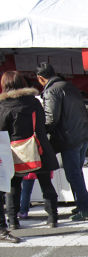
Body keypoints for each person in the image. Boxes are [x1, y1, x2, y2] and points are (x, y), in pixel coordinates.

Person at [0, 71, 60, 238]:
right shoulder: (34, 102)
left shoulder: (3, 106)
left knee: (13, 186)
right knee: (46, 183)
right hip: (38, 147)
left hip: (14, 151)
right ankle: (52, 217)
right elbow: (43, 123)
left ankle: (13, 220)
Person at [35, 62, 88, 221]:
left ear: (41, 78)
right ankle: (82, 204)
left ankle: (85, 208)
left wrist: (41, 131)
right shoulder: (69, 86)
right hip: (82, 134)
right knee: (77, 173)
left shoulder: (52, 91)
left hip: (68, 138)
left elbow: (51, 118)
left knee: (73, 174)